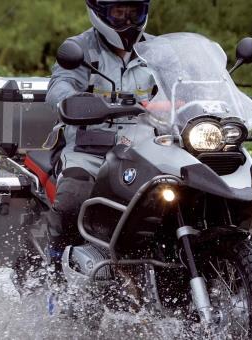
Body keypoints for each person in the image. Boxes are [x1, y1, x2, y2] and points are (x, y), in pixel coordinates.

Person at [44, 0, 155, 267]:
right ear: (100, 12)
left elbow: (183, 85)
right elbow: (60, 86)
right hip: (90, 149)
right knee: (72, 201)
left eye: (134, 12)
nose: (127, 21)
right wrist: (74, 101)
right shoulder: (81, 49)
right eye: (119, 12)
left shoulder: (157, 52)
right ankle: (56, 270)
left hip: (146, 149)